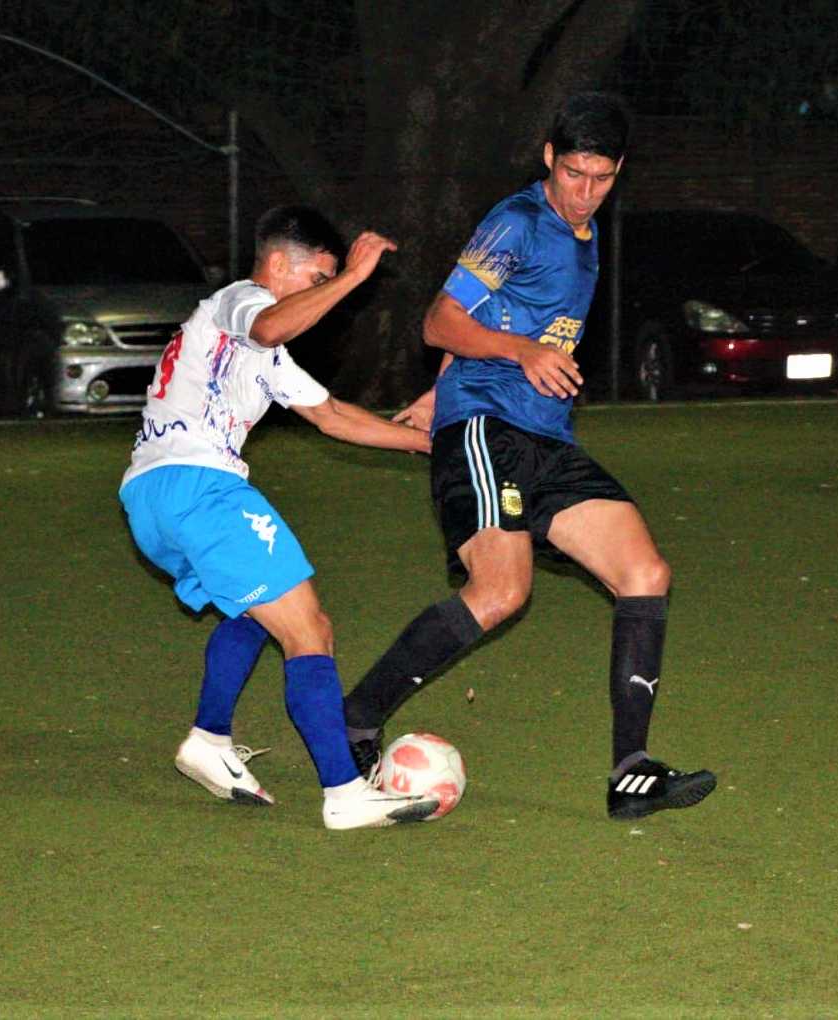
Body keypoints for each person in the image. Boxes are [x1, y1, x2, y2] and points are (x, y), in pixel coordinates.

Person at [342, 93, 717, 821]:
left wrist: (437, 387)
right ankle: (355, 718)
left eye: (601, 178)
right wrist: (505, 363)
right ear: (548, 158)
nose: (584, 191)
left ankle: (630, 771)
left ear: (618, 172)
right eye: (573, 172)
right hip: (487, 429)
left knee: (645, 573)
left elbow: (489, 317)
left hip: (545, 436)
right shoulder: (514, 222)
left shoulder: (586, 234)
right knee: (502, 592)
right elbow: (440, 319)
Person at [120, 205, 440, 830]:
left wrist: (427, 442)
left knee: (254, 610)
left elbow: (333, 416)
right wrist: (352, 276)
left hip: (150, 499)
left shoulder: (262, 353)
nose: (325, 294)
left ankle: (208, 741)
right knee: (309, 628)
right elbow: (266, 327)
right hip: (200, 487)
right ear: (275, 266)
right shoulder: (242, 301)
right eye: (316, 279)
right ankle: (345, 793)